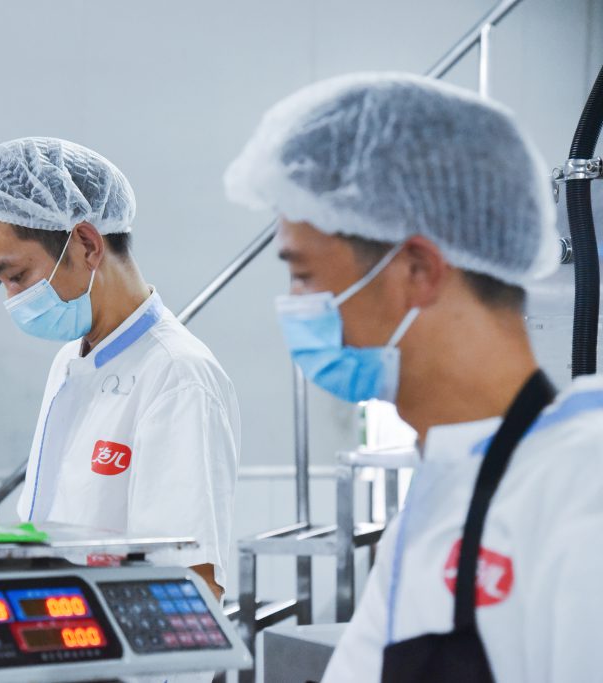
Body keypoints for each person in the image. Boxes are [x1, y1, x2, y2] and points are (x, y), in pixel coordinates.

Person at [225, 72, 602, 681]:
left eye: (303, 274)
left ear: (418, 270)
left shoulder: (582, 490)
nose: (294, 305)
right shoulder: (440, 491)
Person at [0, 137, 240, 598]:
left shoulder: (178, 376)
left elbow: (193, 588)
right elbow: (62, 547)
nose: (12, 301)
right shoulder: (71, 362)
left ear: (88, 244)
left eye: (18, 277)